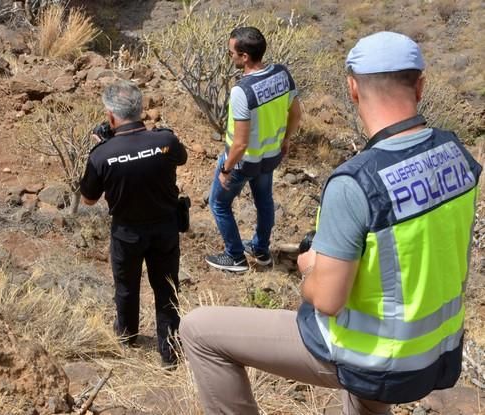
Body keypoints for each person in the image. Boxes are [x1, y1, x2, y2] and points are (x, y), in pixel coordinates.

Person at [181, 31, 482, 414]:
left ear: (352, 88)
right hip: (438, 352)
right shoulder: (457, 153)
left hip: (374, 358)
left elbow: (326, 299)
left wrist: (311, 266)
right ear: (420, 87)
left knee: (199, 330)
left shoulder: (356, 181)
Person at [80, 80, 188, 367]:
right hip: (165, 227)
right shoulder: (165, 141)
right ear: (141, 110)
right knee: (166, 287)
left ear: (111, 117)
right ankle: (170, 352)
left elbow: (89, 199)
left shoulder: (102, 155)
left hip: (127, 231)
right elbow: (182, 157)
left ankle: (127, 336)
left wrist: (106, 146)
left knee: (126, 286)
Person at [205, 26, 302, 272]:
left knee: (219, 204)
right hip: (271, 156)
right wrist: (287, 139)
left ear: (244, 56)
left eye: (231, 53)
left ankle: (235, 256)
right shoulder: (281, 73)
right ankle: (261, 250)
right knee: (264, 201)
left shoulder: (242, 91)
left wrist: (226, 169)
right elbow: (296, 113)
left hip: (243, 161)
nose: (230, 57)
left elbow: (240, 142)